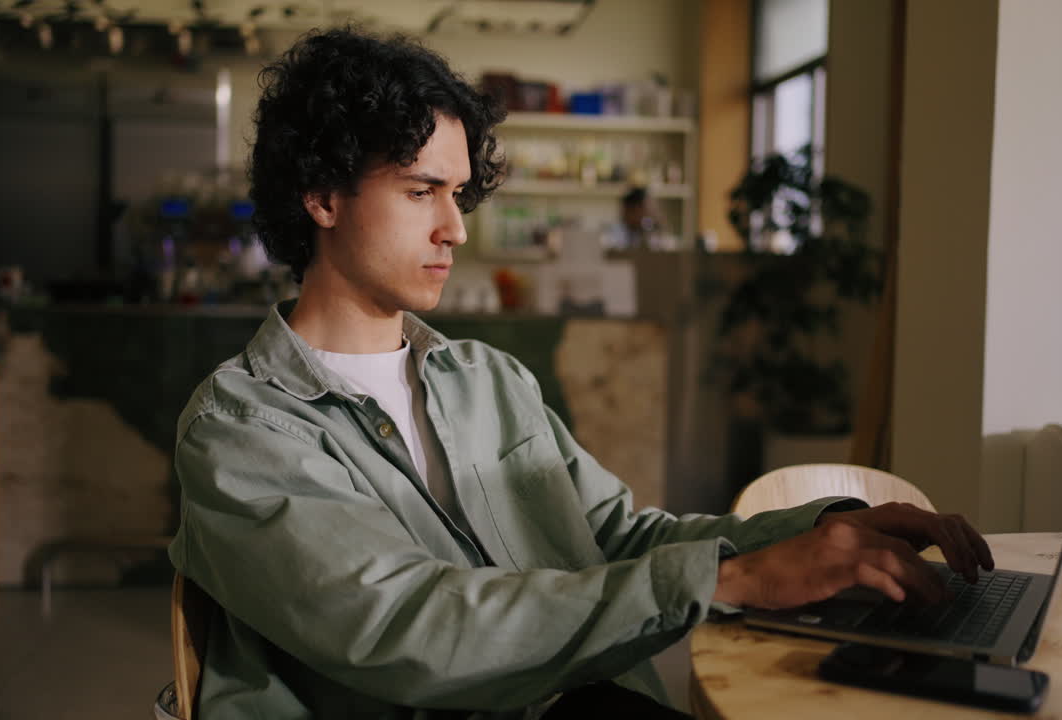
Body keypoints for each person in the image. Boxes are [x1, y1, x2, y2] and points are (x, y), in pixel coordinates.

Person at [168, 27, 994, 719]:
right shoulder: (240, 429)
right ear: (321, 196)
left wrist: (826, 533)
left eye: (460, 193)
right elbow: (405, 627)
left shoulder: (485, 381)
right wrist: (729, 579)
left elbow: (616, 540)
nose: (456, 228)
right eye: (423, 192)